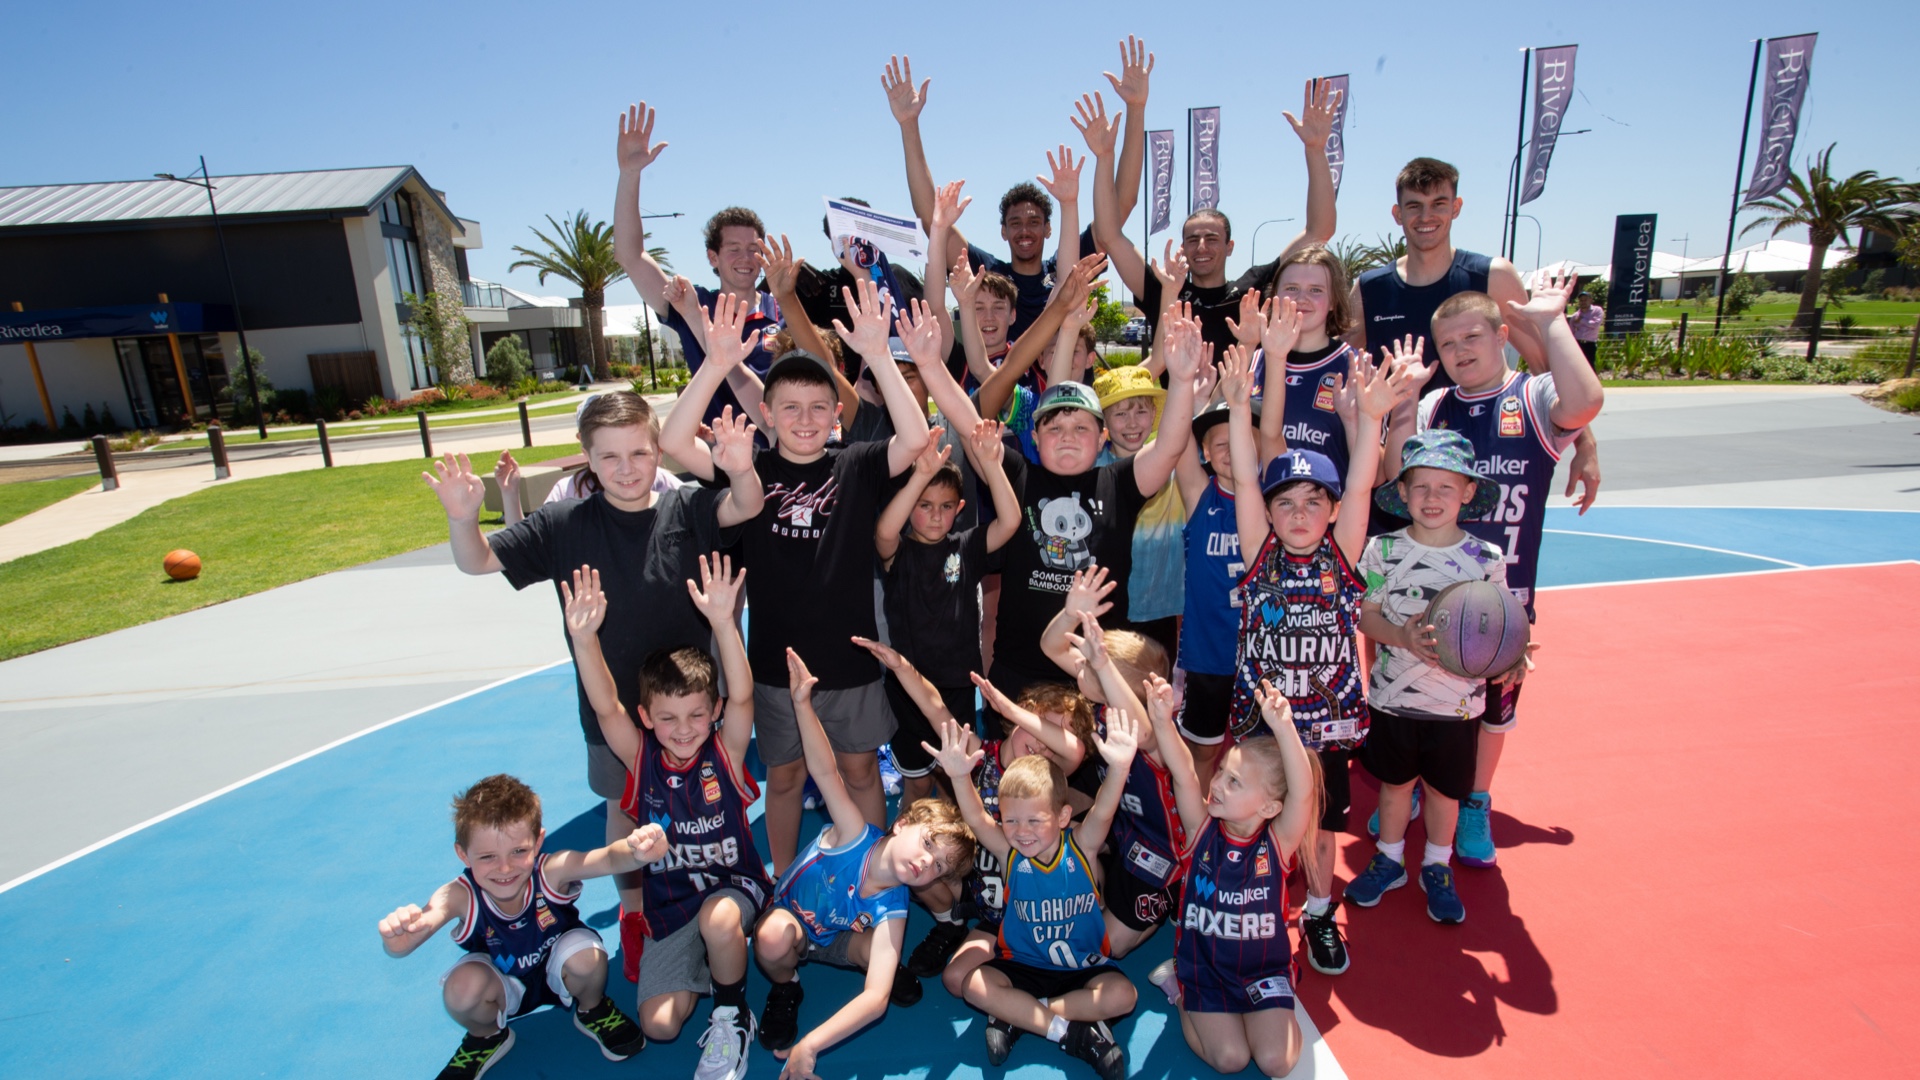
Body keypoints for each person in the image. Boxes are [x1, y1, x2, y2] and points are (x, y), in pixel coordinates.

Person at [423, 391, 763, 981]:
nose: (627, 468)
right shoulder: (564, 524)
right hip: (610, 709)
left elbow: (747, 505)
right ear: (587, 458)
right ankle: (635, 914)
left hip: (685, 708)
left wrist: (740, 466)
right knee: (623, 810)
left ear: (658, 450)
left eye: (638, 452)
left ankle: (709, 901)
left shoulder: (686, 508)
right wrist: (461, 516)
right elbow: (477, 561)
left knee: (697, 814)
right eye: (610, 457)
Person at [660, 283, 931, 872]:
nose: (804, 420)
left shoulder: (855, 464)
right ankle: (784, 879)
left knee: (859, 769)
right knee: (783, 777)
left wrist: (879, 355)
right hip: (776, 667)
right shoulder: (746, 469)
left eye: (817, 407)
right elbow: (673, 441)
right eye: (789, 407)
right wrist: (716, 362)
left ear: (837, 415)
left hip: (852, 659)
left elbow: (913, 439)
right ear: (765, 414)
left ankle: (872, 876)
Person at [1385, 275, 1602, 867]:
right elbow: (1395, 468)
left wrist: (1553, 322)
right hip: (1429, 586)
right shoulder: (1436, 406)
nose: (1460, 351)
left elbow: (1583, 403)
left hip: (1503, 597)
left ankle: (1475, 799)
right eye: (1448, 344)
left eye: (1472, 337)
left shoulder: (1531, 398)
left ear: (1503, 335)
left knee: (1493, 708)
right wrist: (1403, 400)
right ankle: (1413, 787)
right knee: (1420, 694)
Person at [1221, 337, 1406, 977]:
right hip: (1261, 719)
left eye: (1313, 502)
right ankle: (1256, 902)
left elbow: (1361, 488)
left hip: (1326, 721)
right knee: (1249, 813)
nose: (1299, 513)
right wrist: (1237, 404)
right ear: (1268, 512)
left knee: (1321, 825)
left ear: (1330, 512)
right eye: (1285, 502)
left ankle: (1322, 911)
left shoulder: (1343, 553)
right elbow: (1245, 475)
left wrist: (1373, 420)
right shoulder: (1258, 551)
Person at [561, 558, 770, 1080]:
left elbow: (743, 695)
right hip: (671, 909)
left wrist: (724, 622)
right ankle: (713, 960)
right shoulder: (643, 760)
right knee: (659, 1025)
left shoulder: (725, 752)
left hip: (733, 889)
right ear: (647, 718)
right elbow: (607, 707)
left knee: (719, 921)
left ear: (714, 710)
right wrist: (585, 641)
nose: (684, 729)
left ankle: (731, 1014)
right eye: (669, 718)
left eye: (697, 714)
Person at [752, 649, 976, 1074]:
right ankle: (787, 985)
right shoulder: (854, 833)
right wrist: (802, 703)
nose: (927, 862)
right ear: (902, 822)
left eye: (939, 867)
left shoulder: (895, 906)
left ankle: (882, 967)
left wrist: (810, 1046)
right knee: (772, 938)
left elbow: (874, 1003)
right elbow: (825, 771)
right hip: (797, 922)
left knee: (882, 958)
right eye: (928, 843)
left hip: (838, 939)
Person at [1346, 156, 1601, 509]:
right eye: (1414, 206)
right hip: (1400, 471)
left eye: (1438, 204)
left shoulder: (1493, 276)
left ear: (1457, 207)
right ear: (1397, 213)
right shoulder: (1370, 288)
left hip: (1477, 465)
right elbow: (1332, 362)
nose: (1426, 217)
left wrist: (1585, 444)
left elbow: (1545, 364)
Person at [849, 638, 1090, 1002]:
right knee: (915, 855)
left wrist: (1018, 714)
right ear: (1020, 714)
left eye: (1051, 740)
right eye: (1040, 728)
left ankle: (1019, 977)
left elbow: (1074, 751)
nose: (1042, 746)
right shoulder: (979, 754)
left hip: (1014, 908)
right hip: (965, 879)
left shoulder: (1049, 779)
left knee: (960, 977)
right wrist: (900, 666)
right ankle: (950, 924)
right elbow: (934, 706)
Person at [1343, 429, 1516, 925]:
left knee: (1444, 792)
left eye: (1446, 487)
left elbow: (1503, 628)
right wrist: (1402, 636)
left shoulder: (1486, 560)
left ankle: (1437, 866)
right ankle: (1391, 858)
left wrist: (1514, 654)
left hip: (1457, 705)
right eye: (1420, 487)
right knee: (1395, 786)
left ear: (1467, 492)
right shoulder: (1381, 551)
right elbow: (1365, 616)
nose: (1432, 498)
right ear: (1401, 493)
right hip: (1394, 699)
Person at [376, 774, 653, 1079]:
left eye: (518, 852)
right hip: (502, 984)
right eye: (487, 857)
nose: (505, 868)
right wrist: (398, 938)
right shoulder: (458, 895)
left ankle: (592, 1007)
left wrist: (635, 851)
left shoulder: (551, 871)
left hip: (560, 968)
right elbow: (423, 923)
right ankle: (488, 1035)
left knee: (588, 956)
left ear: (538, 841)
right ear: (462, 854)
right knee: (460, 990)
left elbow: (606, 859)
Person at [926, 709, 1143, 1080]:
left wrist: (1120, 768)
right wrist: (960, 777)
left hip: (1081, 967)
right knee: (973, 985)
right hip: (1023, 965)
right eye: (1010, 820)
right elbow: (978, 819)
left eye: (1034, 820)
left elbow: (1105, 812)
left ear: (1062, 817)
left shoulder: (1082, 846)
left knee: (1124, 996)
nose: (1020, 831)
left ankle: (1021, 1015)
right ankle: (1068, 1032)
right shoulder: (1008, 853)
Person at [885, 40, 1152, 339]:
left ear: (1049, 229)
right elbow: (930, 217)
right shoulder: (989, 274)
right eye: (1015, 223)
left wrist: (1136, 108)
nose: (1025, 231)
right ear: (1003, 231)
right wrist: (909, 125)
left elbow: (1122, 205)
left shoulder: (1067, 265)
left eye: (1034, 222)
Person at [1140, 675, 1322, 1080]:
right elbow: (1185, 773)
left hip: (1263, 972)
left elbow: (1303, 794)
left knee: (1277, 1062)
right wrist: (1162, 719)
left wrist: (1284, 727)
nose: (1218, 784)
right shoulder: (1201, 829)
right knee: (1230, 1059)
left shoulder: (1277, 844)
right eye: (1222, 771)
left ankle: (1259, 1012)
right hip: (1203, 969)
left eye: (1234, 782)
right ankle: (1179, 989)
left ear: (1271, 807)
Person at [1087, 80, 1338, 356]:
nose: (1202, 246)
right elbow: (1109, 236)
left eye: (1212, 238)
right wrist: (1105, 155)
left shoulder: (1252, 289)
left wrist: (1315, 149)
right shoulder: (1165, 291)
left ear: (1230, 247)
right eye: (1192, 239)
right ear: (1183, 247)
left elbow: (1319, 230)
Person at [874, 418, 1021, 806]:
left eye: (944, 507)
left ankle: (956, 857)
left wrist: (991, 464)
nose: (935, 516)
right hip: (908, 689)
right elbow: (885, 533)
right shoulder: (898, 552)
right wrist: (918, 476)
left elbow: (1010, 521)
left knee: (958, 784)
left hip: (956, 686)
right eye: (924, 505)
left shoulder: (966, 546)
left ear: (958, 508)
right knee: (918, 784)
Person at [615, 101, 782, 427]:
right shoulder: (693, 303)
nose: (746, 258)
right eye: (734, 249)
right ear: (713, 257)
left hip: (775, 458)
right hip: (713, 461)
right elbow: (630, 256)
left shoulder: (784, 312)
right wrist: (629, 174)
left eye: (753, 248)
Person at [1040, 601, 1184, 959]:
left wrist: (1102, 665)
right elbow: (1051, 645)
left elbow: (1146, 732)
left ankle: (1177, 892)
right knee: (1047, 840)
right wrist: (1071, 609)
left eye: (1091, 665)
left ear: (1109, 682)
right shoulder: (1102, 698)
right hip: (1122, 831)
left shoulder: (1154, 734)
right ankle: (1104, 870)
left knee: (1109, 947)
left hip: (1161, 854)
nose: (1081, 667)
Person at [1250, 246, 1365, 478]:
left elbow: (1379, 473)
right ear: (1275, 296)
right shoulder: (1255, 360)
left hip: (1330, 509)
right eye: (1292, 288)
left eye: (1316, 290)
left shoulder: (1355, 365)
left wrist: (1354, 421)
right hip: (1262, 508)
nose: (1301, 299)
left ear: (1334, 301)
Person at [1569, 291, 1604, 365]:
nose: (1583, 302)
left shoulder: (1597, 310)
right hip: (1578, 343)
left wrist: (1581, 320)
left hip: (1590, 344)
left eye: (1585, 300)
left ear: (1590, 300)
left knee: (1590, 365)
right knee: (1577, 366)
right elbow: (1570, 331)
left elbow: (1596, 324)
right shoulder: (1575, 315)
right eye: (1581, 300)